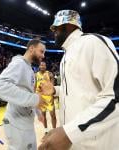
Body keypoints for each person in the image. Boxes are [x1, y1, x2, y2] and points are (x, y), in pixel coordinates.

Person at [38, 10, 119, 150]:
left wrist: (70, 133)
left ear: (68, 25)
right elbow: (81, 92)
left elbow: (115, 96)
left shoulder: (93, 42)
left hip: (97, 144)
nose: (54, 32)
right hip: (75, 142)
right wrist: (56, 90)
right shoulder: (66, 55)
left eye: (56, 28)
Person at [0, 39, 46, 150]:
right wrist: (35, 100)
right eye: (41, 51)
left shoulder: (30, 69)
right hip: (16, 122)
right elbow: (0, 86)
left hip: (25, 121)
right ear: (31, 49)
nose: (43, 55)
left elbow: (29, 94)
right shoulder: (19, 63)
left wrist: (38, 112)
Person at [35, 61, 57, 134]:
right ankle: (46, 131)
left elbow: (52, 87)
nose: (42, 66)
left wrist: (52, 95)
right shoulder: (36, 75)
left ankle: (54, 131)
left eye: (44, 65)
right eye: (41, 65)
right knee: (43, 116)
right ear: (39, 66)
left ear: (46, 66)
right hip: (41, 99)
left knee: (53, 116)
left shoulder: (50, 74)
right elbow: (35, 87)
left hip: (49, 98)